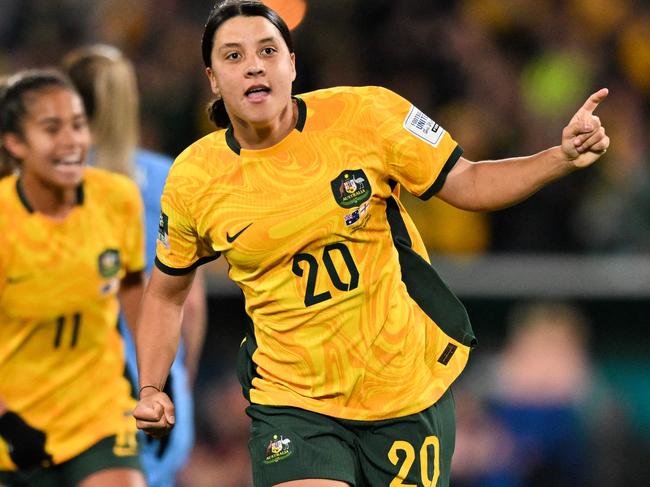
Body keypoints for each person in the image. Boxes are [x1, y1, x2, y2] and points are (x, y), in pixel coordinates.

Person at [133, 1, 610, 486]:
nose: (253, 64)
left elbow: (467, 182)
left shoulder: (368, 115)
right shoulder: (194, 179)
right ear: (212, 78)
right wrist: (151, 385)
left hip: (401, 389)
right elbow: (166, 293)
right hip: (292, 400)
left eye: (267, 50)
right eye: (232, 56)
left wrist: (560, 157)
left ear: (291, 64)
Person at [62, 44, 208, 487]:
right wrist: (178, 379)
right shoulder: (169, 177)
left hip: (73, 385)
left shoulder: (50, 185)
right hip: (155, 384)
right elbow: (192, 305)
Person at [0, 69, 146, 486]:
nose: (72, 142)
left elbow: (132, 284)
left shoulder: (118, 198)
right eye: (52, 129)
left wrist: (155, 376)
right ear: (15, 144)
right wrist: (8, 422)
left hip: (99, 410)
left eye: (78, 125)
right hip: (15, 420)